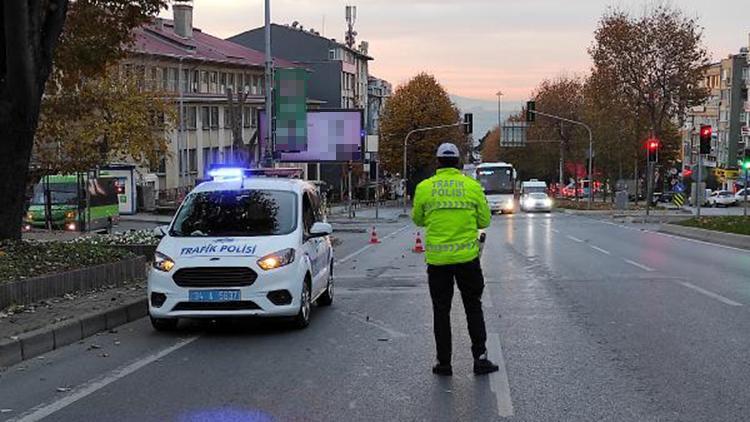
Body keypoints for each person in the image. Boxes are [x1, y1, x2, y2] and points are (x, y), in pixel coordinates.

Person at [412, 142, 498, 376]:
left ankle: (444, 363)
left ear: (437, 162)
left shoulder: (424, 187)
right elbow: (485, 221)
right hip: (467, 259)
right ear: (458, 163)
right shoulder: (471, 186)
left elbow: (418, 219)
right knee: (473, 307)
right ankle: (480, 359)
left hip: (438, 262)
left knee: (441, 311)